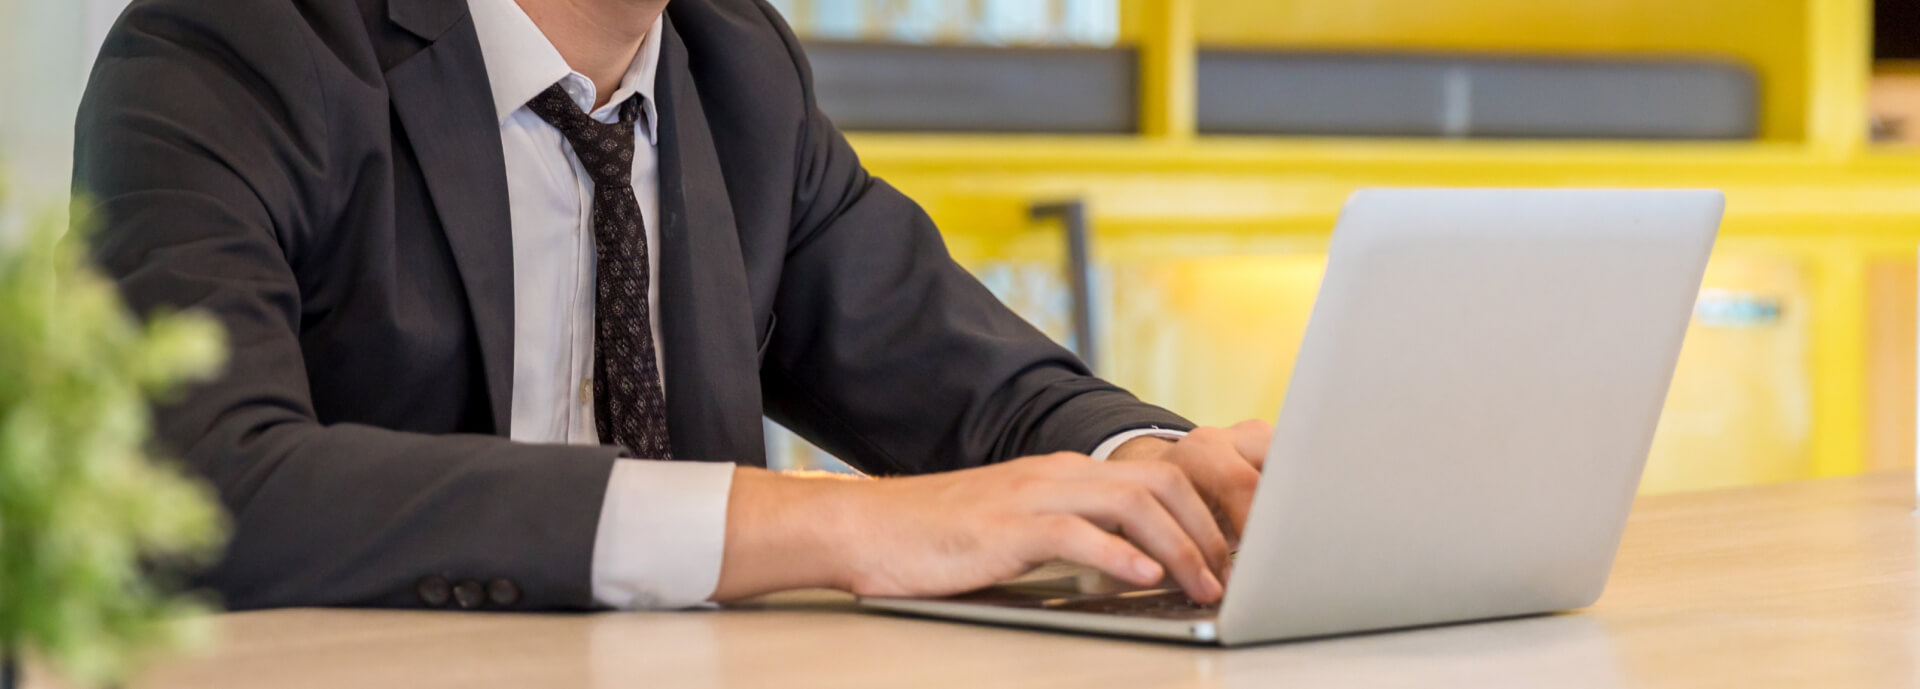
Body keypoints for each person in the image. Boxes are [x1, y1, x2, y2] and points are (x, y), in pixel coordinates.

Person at [73, 0, 1271, 612]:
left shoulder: (733, 62)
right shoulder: (230, 50)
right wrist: (838, 527)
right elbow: (197, 488)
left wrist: (1166, 471)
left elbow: (973, 381)